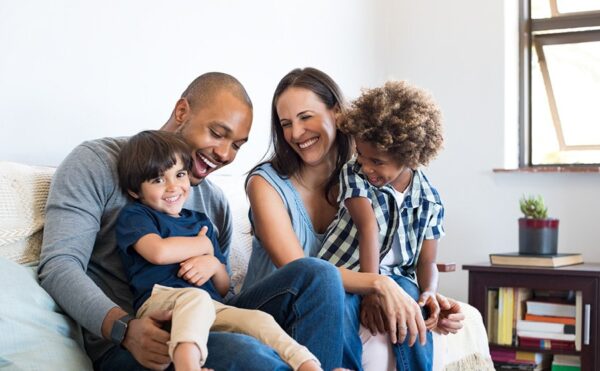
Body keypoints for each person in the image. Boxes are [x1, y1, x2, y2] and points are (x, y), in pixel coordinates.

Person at [39, 72, 347, 371]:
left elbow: (222, 293)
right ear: (182, 111)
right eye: (217, 133)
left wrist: (214, 268)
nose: (225, 154)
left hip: (207, 321)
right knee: (247, 353)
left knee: (318, 274)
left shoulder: (214, 203)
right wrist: (125, 328)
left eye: (237, 145)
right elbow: (59, 264)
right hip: (135, 341)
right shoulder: (97, 162)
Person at [243, 67, 464, 371]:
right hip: (275, 307)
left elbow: (401, 250)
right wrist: (379, 284)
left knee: (406, 303)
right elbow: (303, 272)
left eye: (305, 117)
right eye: (286, 124)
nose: (295, 133)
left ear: (336, 112)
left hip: (338, 297)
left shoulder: (369, 176)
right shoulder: (266, 184)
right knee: (328, 287)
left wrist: (429, 297)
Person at [116, 130, 320, 371]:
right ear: (134, 191)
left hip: (211, 307)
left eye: (180, 174)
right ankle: (188, 366)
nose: (173, 187)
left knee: (258, 319)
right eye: (158, 180)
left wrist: (212, 263)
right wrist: (203, 246)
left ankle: (310, 365)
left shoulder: (200, 222)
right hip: (161, 303)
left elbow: (223, 287)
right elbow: (158, 252)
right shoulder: (137, 215)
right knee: (196, 298)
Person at [318, 80, 446, 367]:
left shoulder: (430, 200)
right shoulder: (354, 174)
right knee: (342, 308)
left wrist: (430, 292)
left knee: (412, 305)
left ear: (408, 156)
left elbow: (428, 262)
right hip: (346, 271)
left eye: (376, 161)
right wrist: (373, 289)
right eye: (361, 155)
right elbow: (368, 227)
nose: (366, 167)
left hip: (397, 277)